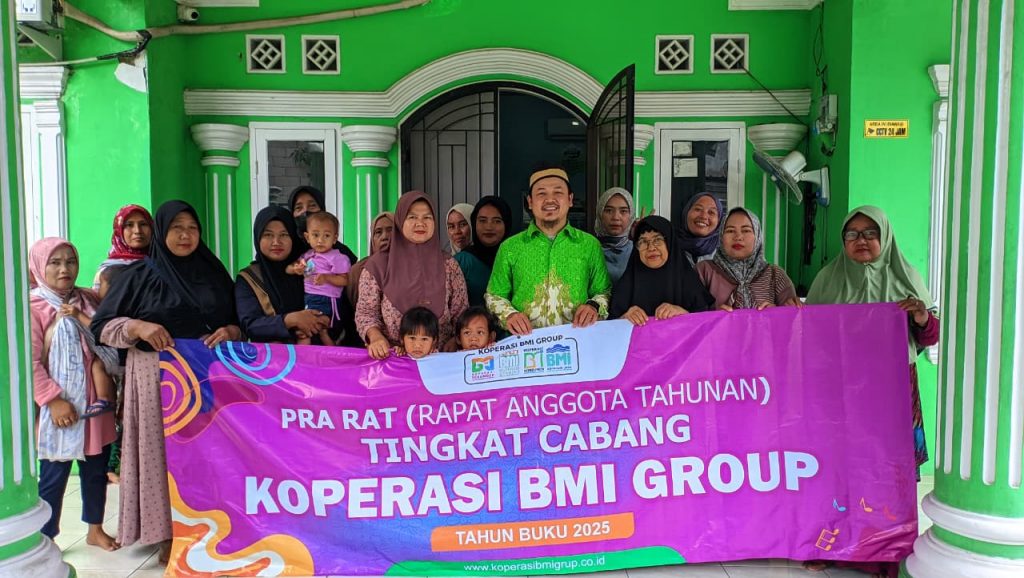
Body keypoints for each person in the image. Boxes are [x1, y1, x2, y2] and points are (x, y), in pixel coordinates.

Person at [91, 200, 240, 557]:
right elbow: (101, 327)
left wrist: (232, 331)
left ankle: (213, 527)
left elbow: (238, 321)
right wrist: (138, 326)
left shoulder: (213, 272)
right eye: (176, 228)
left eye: (192, 228)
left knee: (207, 452)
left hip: (206, 376)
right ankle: (168, 533)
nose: (185, 235)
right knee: (161, 454)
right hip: (155, 379)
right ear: (161, 232)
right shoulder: (139, 276)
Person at [804, 206, 936, 578]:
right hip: (840, 390)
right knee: (837, 467)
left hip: (892, 390)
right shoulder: (828, 279)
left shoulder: (906, 277)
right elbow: (808, 335)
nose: (861, 241)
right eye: (852, 234)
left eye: (870, 233)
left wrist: (920, 316)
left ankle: (885, 550)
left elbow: (930, 336)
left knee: (888, 471)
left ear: (885, 237)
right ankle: (831, 545)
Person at [30, 238, 120, 551]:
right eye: (54, 262)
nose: (64, 269)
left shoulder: (87, 300)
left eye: (70, 261)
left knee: (95, 472)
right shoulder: (34, 308)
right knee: (53, 476)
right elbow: (29, 363)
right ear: (40, 266)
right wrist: (53, 400)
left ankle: (95, 529)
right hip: (60, 408)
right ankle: (46, 537)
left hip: (95, 405)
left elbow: (108, 335)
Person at [485, 166, 611, 336]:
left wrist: (593, 306)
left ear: (570, 199)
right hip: (525, 345)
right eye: (541, 193)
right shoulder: (510, 247)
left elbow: (603, 291)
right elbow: (494, 295)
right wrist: (510, 315)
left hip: (576, 343)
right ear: (530, 202)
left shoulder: (589, 245)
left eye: (558, 192)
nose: (550, 200)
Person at [356, 191, 469, 359]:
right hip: (393, 360)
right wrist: (375, 337)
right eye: (412, 217)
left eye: (427, 217)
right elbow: (366, 313)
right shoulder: (378, 265)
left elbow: (461, 312)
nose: (420, 223)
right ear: (400, 220)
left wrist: (455, 339)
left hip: (440, 360)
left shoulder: (449, 265)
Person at [236, 206, 328, 344]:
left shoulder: (310, 268)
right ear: (258, 237)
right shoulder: (249, 278)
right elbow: (250, 324)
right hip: (273, 356)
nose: (276, 242)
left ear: (293, 237)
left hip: (318, 352)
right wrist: (290, 320)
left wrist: (319, 322)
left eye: (284, 235)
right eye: (268, 235)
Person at [288, 185, 360, 345]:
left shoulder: (340, 254)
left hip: (336, 329)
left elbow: (351, 292)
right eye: (298, 208)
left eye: (312, 205)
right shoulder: (288, 250)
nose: (305, 212)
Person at [610, 216, 715, 326]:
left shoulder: (688, 282)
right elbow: (609, 327)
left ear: (670, 243)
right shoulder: (627, 285)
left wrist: (685, 315)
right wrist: (623, 319)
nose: (651, 248)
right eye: (643, 242)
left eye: (657, 240)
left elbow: (707, 326)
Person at [696, 207, 800, 310]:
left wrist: (777, 313)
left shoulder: (776, 275)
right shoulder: (704, 271)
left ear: (757, 236)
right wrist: (714, 316)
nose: (738, 237)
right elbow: (691, 315)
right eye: (730, 231)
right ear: (721, 237)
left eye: (746, 230)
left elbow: (794, 318)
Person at [455, 196, 513, 306]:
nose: (489, 227)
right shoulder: (462, 261)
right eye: (482, 220)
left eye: (497, 221)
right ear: (474, 223)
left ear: (507, 224)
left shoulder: (516, 258)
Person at [92, 204, 154, 291]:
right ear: (119, 230)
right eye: (129, 225)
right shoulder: (108, 270)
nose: (137, 231)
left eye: (143, 224)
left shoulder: (163, 262)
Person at [347, 212, 395, 310]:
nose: (384, 237)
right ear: (372, 239)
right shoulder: (358, 270)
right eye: (378, 232)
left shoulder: (410, 266)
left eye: (390, 230)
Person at [595, 187, 635, 284]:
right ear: (600, 214)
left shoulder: (638, 251)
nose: (616, 217)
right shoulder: (588, 249)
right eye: (609, 210)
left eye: (623, 211)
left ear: (631, 216)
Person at [677, 192, 723, 265]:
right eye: (698, 209)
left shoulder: (726, 254)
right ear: (686, 212)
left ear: (719, 220)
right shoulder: (669, 247)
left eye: (711, 212)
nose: (703, 216)